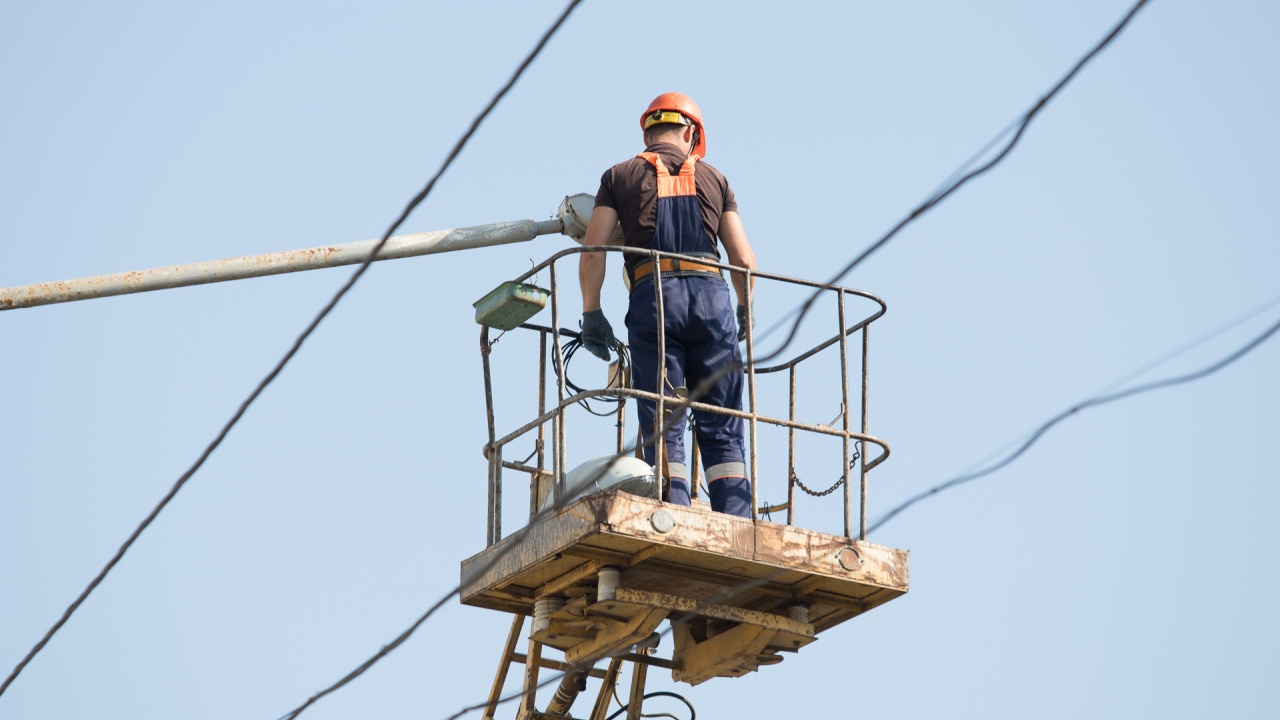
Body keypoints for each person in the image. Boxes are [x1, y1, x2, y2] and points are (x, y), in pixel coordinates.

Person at [577, 92, 757, 519]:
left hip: (654, 297)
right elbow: (744, 261)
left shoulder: (619, 176)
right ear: (691, 133)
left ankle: (672, 512)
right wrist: (744, 308)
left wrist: (591, 311)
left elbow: (592, 250)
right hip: (713, 300)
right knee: (722, 419)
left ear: (647, 130)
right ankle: (734, 518)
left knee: (663, 416)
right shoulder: (716, 179)